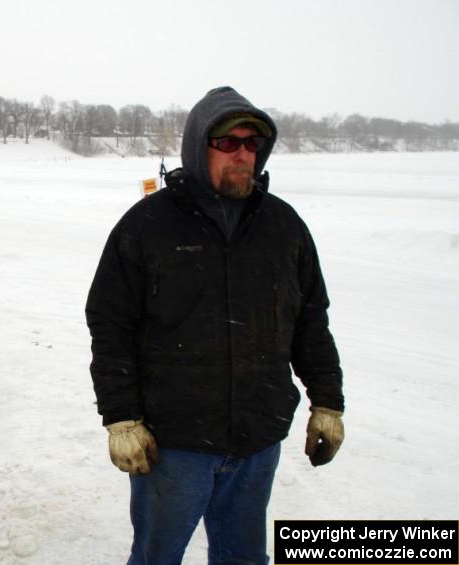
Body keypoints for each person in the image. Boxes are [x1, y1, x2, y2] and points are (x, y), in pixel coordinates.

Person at [85, 86, 345, 565]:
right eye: (228, 143)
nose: (243, 154)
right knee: (156, 557)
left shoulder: (283, 227)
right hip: (174, 445)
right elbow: (110, 325)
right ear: (198, 147)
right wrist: (121, 417)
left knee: (243, 558)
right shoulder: (147, 226)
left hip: (257, 440)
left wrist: (327, 400)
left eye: (252, 144)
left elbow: (311, 320)